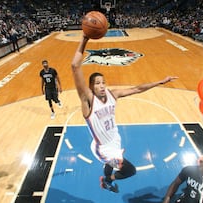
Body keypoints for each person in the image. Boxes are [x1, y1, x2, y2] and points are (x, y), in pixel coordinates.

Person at [71, 35, 178, 193]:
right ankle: (108, 180)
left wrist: (160, 82)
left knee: (110, 164)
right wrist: (85, 38)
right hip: (104, 148)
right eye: (97, 83)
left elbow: (137, 89)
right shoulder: (87, 100)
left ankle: (106, 178)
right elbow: (75, 66)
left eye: (103, 82)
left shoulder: (113, 95)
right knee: (130, 170)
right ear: (91, 87)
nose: (101, 85)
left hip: (115, 139)